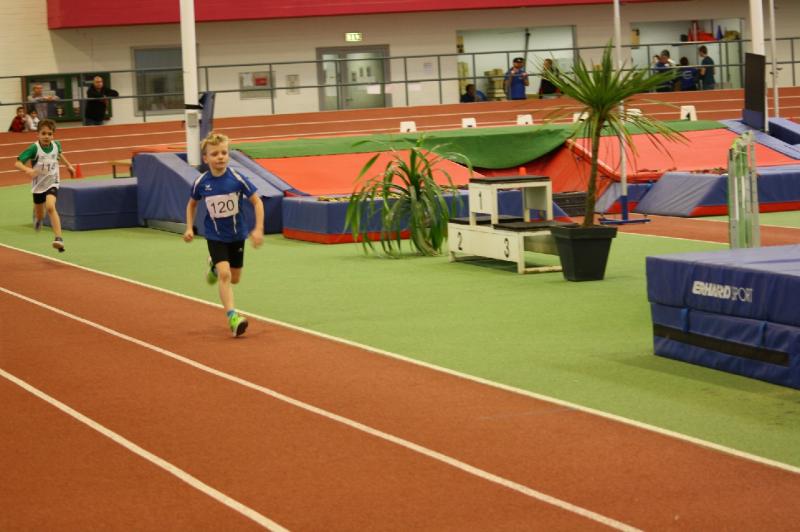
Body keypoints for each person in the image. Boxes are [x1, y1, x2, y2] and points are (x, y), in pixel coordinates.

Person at [183, 131, 264, 337]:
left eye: (224, 153)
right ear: (206, 158)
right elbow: (192, 204)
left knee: (235, 278)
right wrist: (189, 227)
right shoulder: (202, 182)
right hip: (215, 236)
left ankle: (213, 266)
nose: (220, 157)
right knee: (225, 275)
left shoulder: (237, 179)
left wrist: (258, 229)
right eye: (215, 154)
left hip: (237, 235)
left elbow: (257, 202)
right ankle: (232, 317)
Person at [14, 119, 75, 252]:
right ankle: (38, 218)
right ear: (38, 134)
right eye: (43, 133)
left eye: (49, 134)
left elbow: (59, 154)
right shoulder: (34, 148)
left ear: (53, 135)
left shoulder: (56, 145)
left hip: (53, 181)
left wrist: (69, 166)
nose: (46, 136)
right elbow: (17, 163)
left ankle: (59, 239)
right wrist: (28, 170)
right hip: (38, 185)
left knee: (50, 206)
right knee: (40, 215)